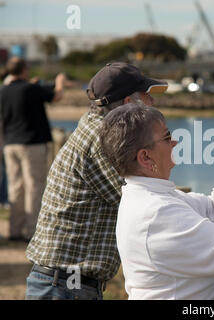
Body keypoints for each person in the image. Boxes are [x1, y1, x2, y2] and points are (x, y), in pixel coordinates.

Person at [99, 103, 214, 299]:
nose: (174, 142)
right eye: (166, 137)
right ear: (146, 158)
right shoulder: (156, 213)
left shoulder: (148, 197)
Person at [25, 62, 168, 300]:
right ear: (127, 104)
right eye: (146, 97)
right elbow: (145, 201)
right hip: (65, 286)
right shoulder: (102, 139)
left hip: (65, 284)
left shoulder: (97, 128)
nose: (152, 103)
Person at [0, 57, 66, 242]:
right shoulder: (31, 89)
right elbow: (56, 96)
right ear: (24, 70)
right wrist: (60, 83)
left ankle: (14, 230)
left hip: (10, 144)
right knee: (34, 187)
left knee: (15, 187)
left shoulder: (3, 90)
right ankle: (32, 231)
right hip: (32, 144)